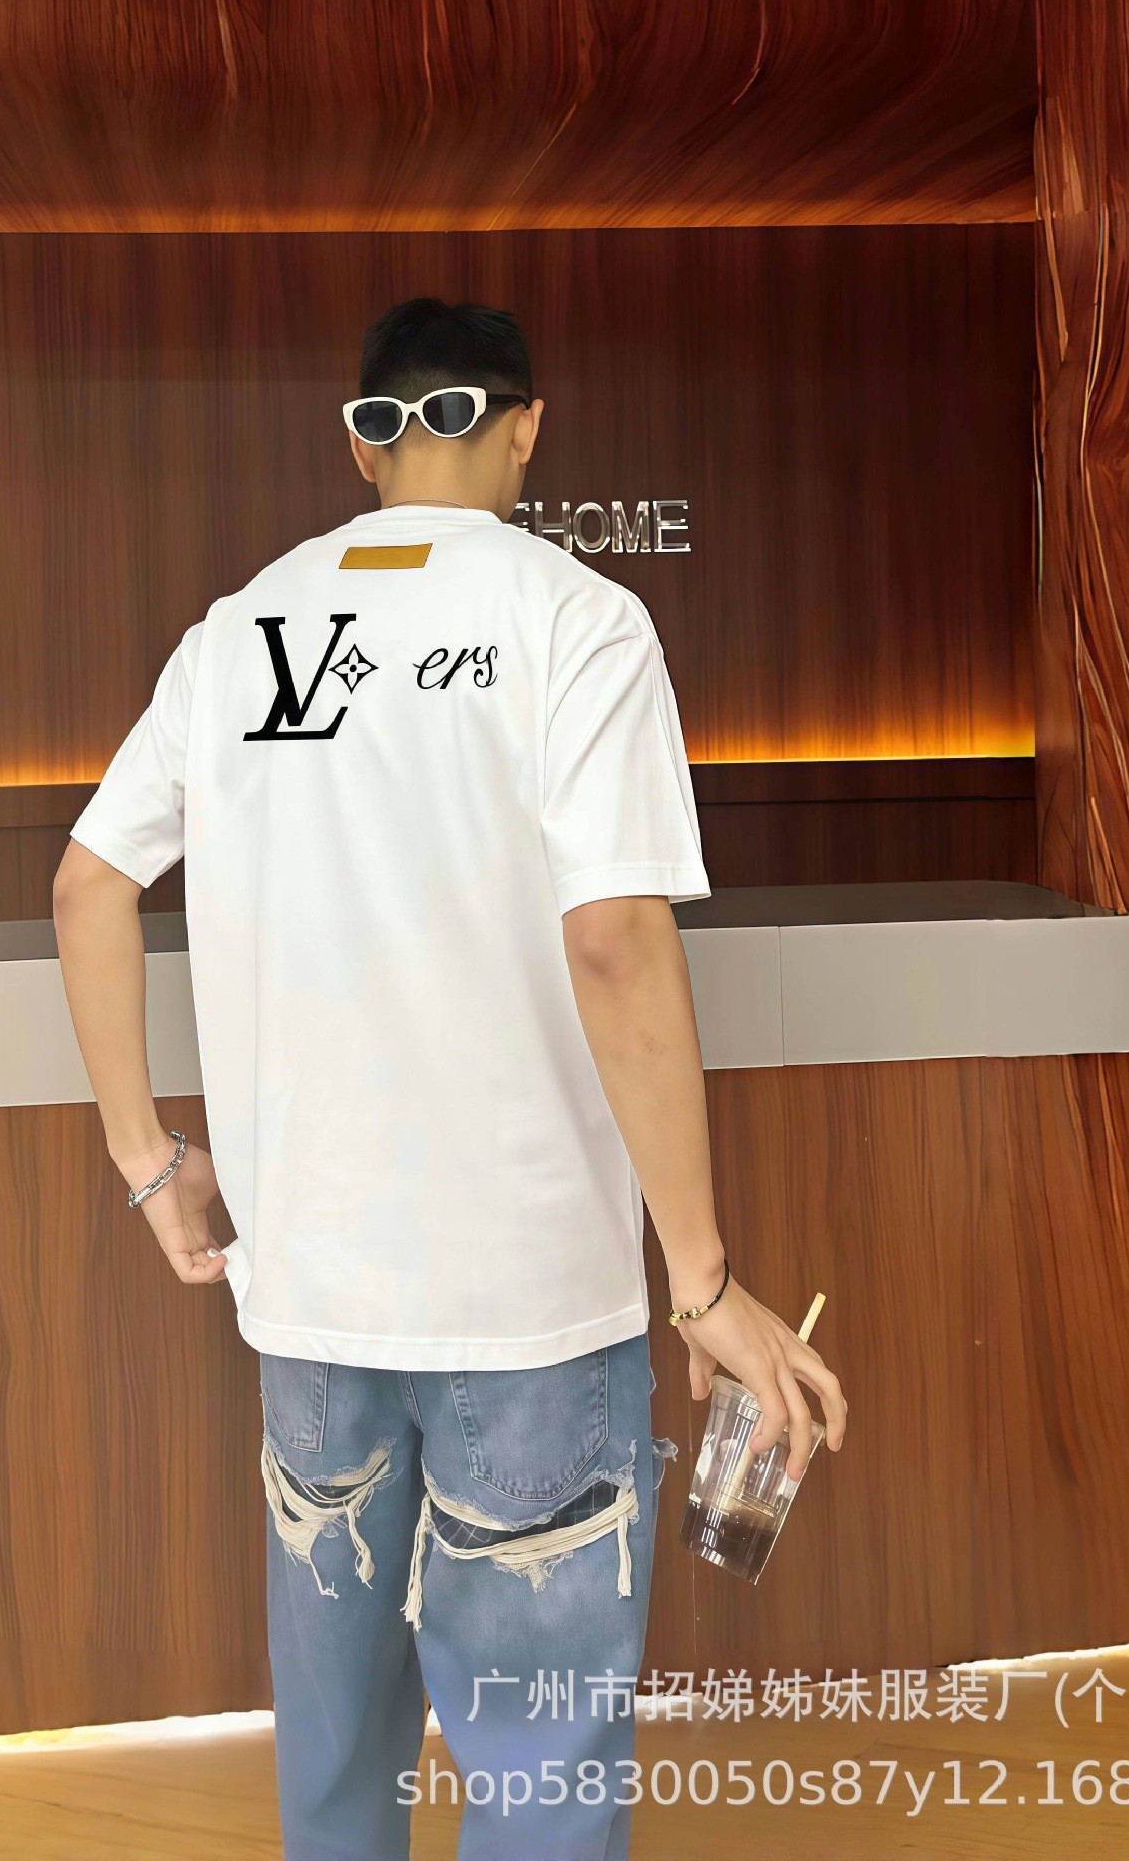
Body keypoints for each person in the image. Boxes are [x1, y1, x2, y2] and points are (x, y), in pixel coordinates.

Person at [53, 297, 846, 1861]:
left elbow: (89, 883)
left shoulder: (241, 632)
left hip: (309, 1302)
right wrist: (700, 1284)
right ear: (526, 426)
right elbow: (613, 939)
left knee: (337, 1758)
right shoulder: (579, 620)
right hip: (528, 1306)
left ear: (363, 447)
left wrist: (153, 1167)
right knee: (538, 1774)